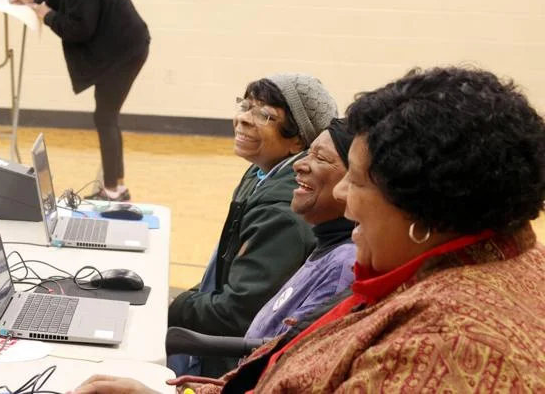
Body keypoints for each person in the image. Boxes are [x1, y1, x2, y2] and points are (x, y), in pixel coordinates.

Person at [74, 66, 545, 394]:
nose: (341, 196)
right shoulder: (468, 267)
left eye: (355, 181)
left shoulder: (451, 350)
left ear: (420, 207)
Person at [168, 73, 336, 378]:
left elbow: (236, 313)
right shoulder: (259, 174)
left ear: (298, 139)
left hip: (229, 367)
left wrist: (171, 307)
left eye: (264, 115)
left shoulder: (283, 209)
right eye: (245, 105)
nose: (243, 119)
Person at [9, 0, 150, 201]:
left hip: (123, 53)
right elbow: (71, 1)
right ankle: (116, 185)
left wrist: (47, 16)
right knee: (107, 116)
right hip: (128, 49)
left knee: (105, 117)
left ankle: (113, 190)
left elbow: (79, 28)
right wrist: (36, 1)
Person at [241, 118, 356, 341]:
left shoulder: (344, 263)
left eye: (320, 158)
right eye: (309, 153)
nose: (299, 164)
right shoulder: (327, 243)